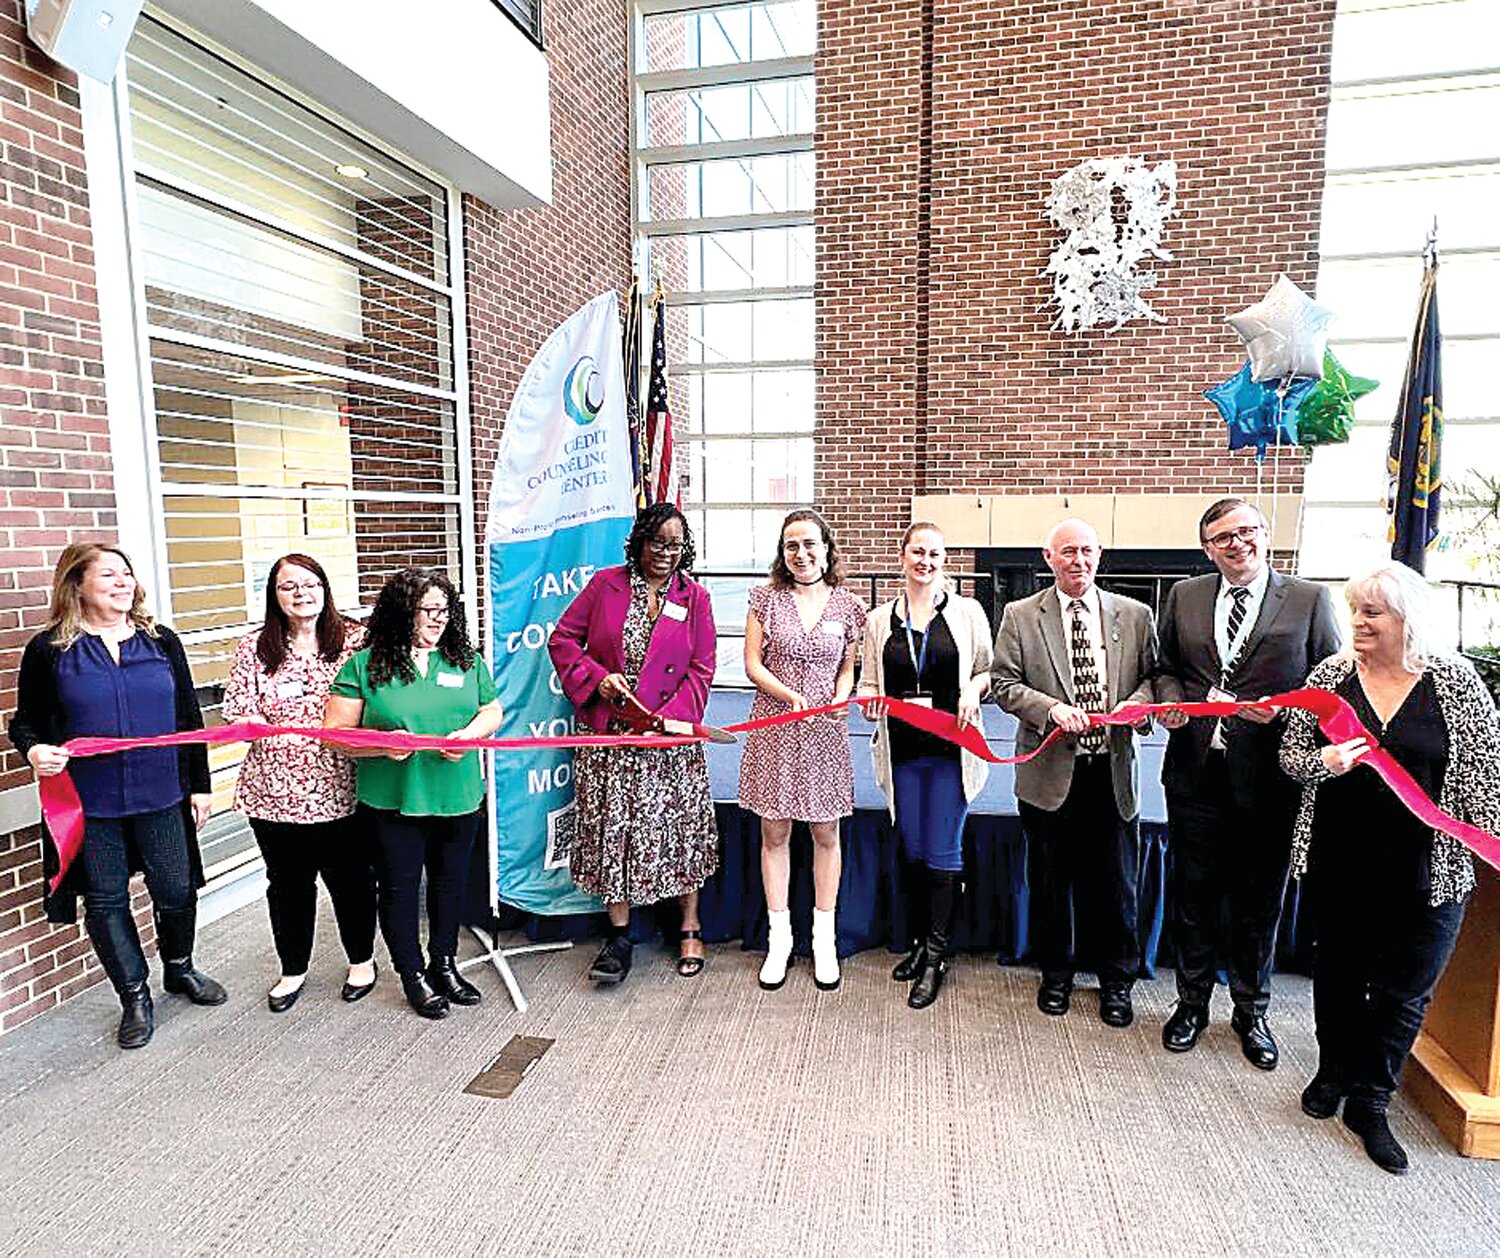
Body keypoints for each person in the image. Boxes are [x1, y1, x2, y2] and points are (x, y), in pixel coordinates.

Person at [1280, 562, 1500, 1175]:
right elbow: (1292, 761)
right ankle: (1333, 1071)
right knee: (1340, 976)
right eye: (1355, 609)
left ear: (1410, 619)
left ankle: (1372, 1099)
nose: (1359, 622)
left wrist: (1482, 851)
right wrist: (1322, 759)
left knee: (1406, 990)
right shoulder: (1330, 676)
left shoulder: (1457, 683)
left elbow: (1485, 787)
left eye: (1373, 612)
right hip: (1338, 858)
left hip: (1428, 870)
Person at [9, 543, 225, 1049]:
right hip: (91, 801)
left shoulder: (160, 641)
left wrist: (198, 785)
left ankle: (179, 968)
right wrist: (35, 749)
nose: (123, 582)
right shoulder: (50, 650)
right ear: (77, 585)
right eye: (108, 575)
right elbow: (26, 723)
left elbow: (188, 721)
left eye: (127, 574)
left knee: (175, 889)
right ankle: (134, 997)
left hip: (161, 792)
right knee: (105, 900)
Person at [1155, 497, 1340, 1069]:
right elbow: (1164, 668)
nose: (1237, 544)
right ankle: (1190, 1005)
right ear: (1208, 549)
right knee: (1195, 897)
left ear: (1266, 534)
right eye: (1222, 538)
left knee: (1258, 903)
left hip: (1271, 780)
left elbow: (1331, 687)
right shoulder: (1184, 596)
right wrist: (1170, 704)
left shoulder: (1310, 600)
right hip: (1196, 773)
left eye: (1246, 532)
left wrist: (1286, 717)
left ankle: (1251, 1010)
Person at [992, 518, 1158, 1028]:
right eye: (1067, 552)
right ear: (1049, 558)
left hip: (1111, 773)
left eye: (1086, 551)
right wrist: (1048, 708)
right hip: (1048, 776)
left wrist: (1137, 703)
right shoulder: (1021, 616)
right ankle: (1056, 977)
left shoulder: (1135, 615)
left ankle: (1116, 982)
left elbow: (1156, 679)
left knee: (1116, 886)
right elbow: (1003, 684)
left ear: (1100, 554)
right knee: (1049, 883)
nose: (1077, 560)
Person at [548, 504, 719, 986]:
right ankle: (619, 935)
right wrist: (598, 681)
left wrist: (671, 720)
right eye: (657, 543)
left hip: (668, 738)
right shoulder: (606, 584)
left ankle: (690, 924)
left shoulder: (696, 597)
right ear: (639, 542)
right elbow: (562, 640)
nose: (666, 553)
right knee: (613, 830)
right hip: (611, 736)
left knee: (680, 828)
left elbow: (701, 669)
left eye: (676, 545)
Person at [325, 568, 502, 1019]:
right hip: (394, 800)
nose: (438, 619)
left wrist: (468, 735)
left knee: (450, 884)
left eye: (445, 610)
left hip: (457, 796)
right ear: (403, 612)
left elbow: (492, 709)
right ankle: (413, 974)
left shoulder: (465, 659)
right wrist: (382, 745)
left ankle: (444, 964)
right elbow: (333, 734)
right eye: (428, 610)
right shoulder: (365, 666)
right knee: (400, 890)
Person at [221, 553, 376, 1013]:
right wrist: (252, 722)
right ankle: (293, 969)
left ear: (325, 588)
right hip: (273, 791)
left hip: (341, 787)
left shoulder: (355, 641)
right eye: (288, 586)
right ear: (274, 596)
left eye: (309, 583)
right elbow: (236, 708)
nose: (300, 593)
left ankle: (361, 962)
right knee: (287, 885)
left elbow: (376, 699)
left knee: (349, 880)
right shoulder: (253, 647)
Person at [858, 521, 992, 1009]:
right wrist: (868, 699)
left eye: (935, 554)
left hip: (950, 753)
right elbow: (868, 683)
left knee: (943, 849)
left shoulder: (968, 612)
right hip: (903, 752)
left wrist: (971, 693)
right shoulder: (878, 621)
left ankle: (936, 956)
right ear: (902, 555)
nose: (926, 562)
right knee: (914, 847)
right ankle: (920, 943)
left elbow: (986, 671)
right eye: (918, 552)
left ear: (944, 559)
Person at [740, 509, 868, 992]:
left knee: (825, 833)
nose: (801, 553)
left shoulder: (849, 607)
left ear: (826, 548)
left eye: (810, 544)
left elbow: (847, 669)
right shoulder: (764, 600)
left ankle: (824, 939)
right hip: (775, 727)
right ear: (782, 552)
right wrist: (787, 696)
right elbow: (753, 664)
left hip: (824, 734)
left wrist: (841, 697)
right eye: (792, 545)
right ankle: (779, 939)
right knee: (774, 834)